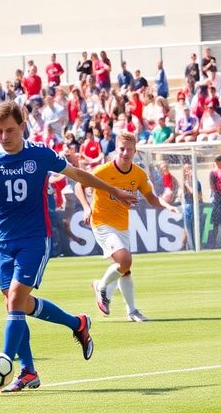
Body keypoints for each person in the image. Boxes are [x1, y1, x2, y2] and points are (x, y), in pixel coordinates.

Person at [0, 101, 135, 392]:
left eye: (10, 131)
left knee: (16, 299)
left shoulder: (39, 154)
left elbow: (78, 174)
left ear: (23, 126)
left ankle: (6, 364)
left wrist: (114, 190)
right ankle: (69, 331)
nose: (4, 137)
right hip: (4, 242)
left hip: (34, 238)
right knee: (17, 304)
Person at [75, 132, 180, 323]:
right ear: (116, 149)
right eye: (122, 149)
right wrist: (86, 206)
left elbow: (153, 198)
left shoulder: (138, 174)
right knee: (125, 260)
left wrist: (167, 205)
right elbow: (79, 186)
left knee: (125, 268)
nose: (125, 153)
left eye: (129, 150)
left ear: (135, 151)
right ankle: (101, 287)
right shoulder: (104, 170)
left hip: (122, 225)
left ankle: (132, 311)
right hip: (101, 222)